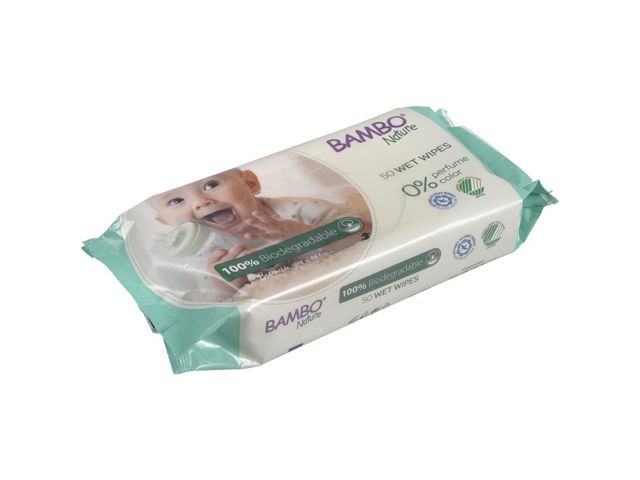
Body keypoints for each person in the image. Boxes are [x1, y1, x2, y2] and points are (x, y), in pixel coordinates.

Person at [148, 168, 371, 297]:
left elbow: (364, 232)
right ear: (165, 222)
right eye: (176, 201)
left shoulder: (295, 210)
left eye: (211, 184)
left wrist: (302, 235)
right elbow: (214, 307)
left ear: (250, 183)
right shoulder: (203, 258)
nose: (200, 202)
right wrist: (222, 283)